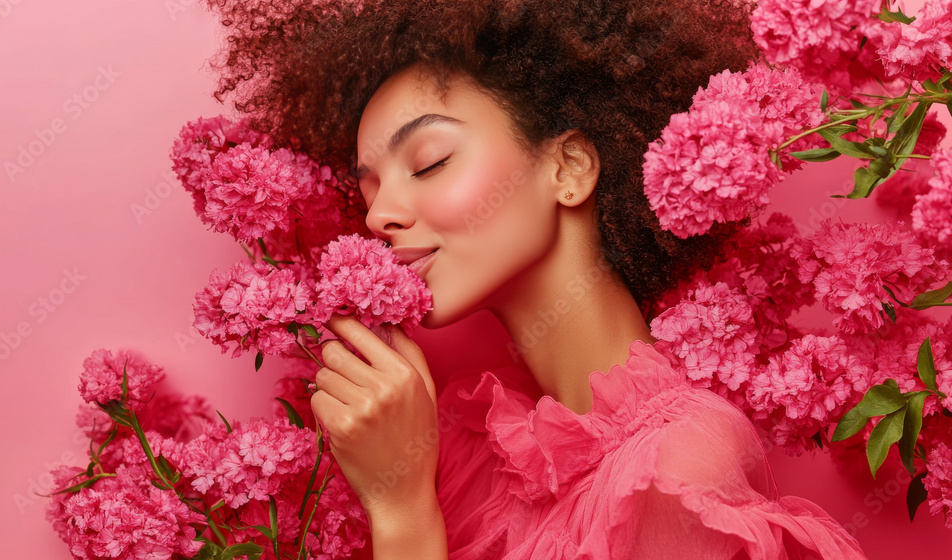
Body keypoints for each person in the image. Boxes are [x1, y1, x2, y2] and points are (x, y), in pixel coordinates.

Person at [202, 0, 869, 557]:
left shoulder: (677, 468)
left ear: (569, 168)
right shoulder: (469, 460)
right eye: (368, 190)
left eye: (429, 161)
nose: (379, 215)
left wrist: (402, 515)